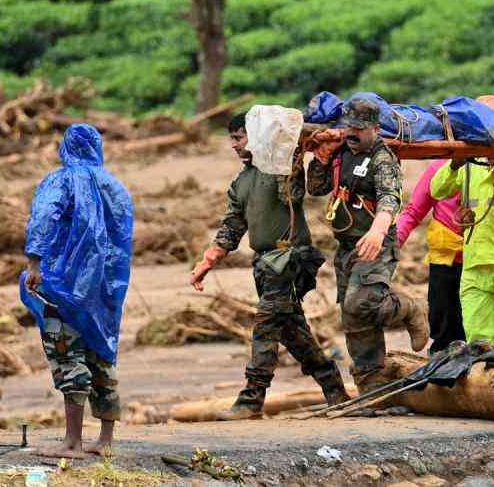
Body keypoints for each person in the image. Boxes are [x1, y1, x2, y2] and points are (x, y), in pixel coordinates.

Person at [189, 112, 349, 420]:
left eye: (239, 137)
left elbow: (294, 193)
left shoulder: (281, 169)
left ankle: (252, 399)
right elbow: (232, 227)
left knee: (266, 324)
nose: (233, 145)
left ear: (256, 137)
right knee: (292, 332)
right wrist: (206, 263)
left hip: (289, 261)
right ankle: (335, 389)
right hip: (265, 265)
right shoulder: (242, 181)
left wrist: (292, 152)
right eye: (232, 138)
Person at [20, 124, 133, 458]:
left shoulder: (61, 179)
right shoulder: (115, 186)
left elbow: (44, 218)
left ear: (65, 146)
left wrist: (34, 264)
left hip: (63, 282)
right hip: (105, 286)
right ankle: (106, 441)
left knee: (67, 352)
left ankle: (73, 442)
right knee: (102, 353)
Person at [307, 96, 429, 393]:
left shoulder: (382, 158)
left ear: (374, 128)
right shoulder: (341, 152)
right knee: (353, 317)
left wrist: (377, 231)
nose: (352, 134)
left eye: (359, 129)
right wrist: (321, 160)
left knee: (361, 302)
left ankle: (410, 308)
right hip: (347, 246)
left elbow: (391, 198)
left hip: (376, 242)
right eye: (349, 127)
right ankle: (371, 385)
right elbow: (316, 188)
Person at [430, 97, 494, 347]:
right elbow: (438, 190)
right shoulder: (468, 165)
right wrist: (455, 163)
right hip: (477, 262)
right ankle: (489, 384)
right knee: (480, 340)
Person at [397, 159, 465, 355]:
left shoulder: (491, 166)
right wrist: (391, 244)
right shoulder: (438, 168)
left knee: (477, 329)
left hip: (482, 261)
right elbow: (413, 211)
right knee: (443, 326)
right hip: (444, 261)